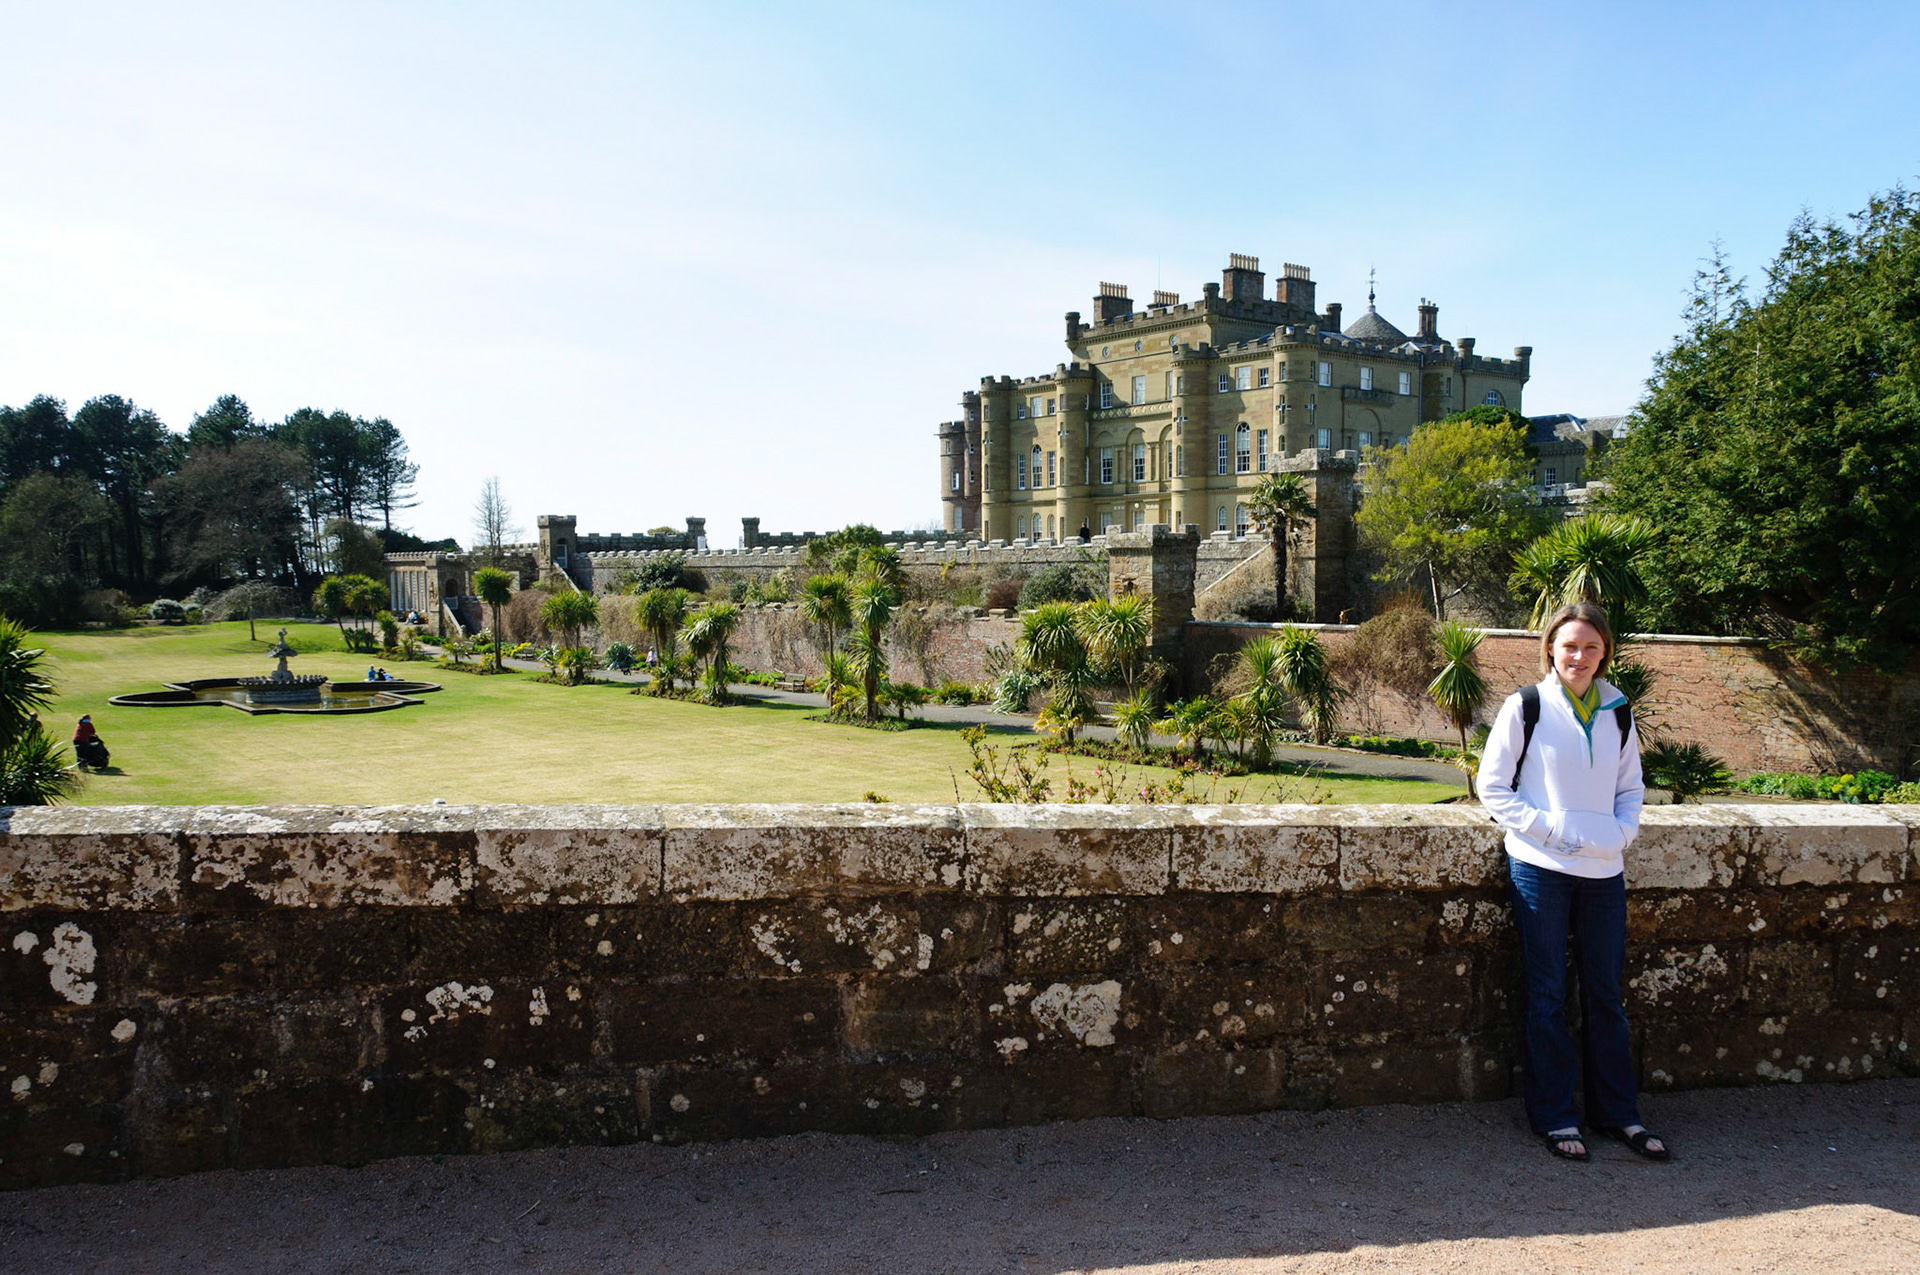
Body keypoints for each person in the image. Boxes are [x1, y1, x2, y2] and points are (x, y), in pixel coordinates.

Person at [1477, 601, 1670, 1164]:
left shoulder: (1617, 709)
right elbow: (1493, 788)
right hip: (1541, 869)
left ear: (1605, 650)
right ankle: (1557, 1116)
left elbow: (1629, 786)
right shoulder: (1527, 706)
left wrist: (1623, 835)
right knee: (1548, 995)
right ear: (1550, 650)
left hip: (1604, 871)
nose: (1579, 656)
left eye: (1590, 646)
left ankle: (1619, 1115)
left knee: (1607, 995)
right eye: (1569, 646)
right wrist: (1549, 832)